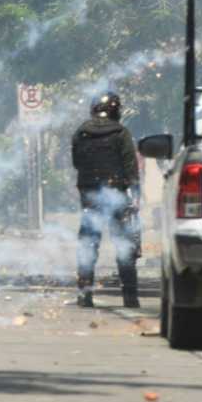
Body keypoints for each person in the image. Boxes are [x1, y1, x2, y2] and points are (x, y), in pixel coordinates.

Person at [71, 91, 142, 308]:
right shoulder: (121, 133)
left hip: (90, 197)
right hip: (116, 196)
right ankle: (130, 297)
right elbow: (131, 168)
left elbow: (77, 162)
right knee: (123, 245)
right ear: (116, 110)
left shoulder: (81, 132)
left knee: (88, 244)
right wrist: (136, 195)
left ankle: (85, 294)